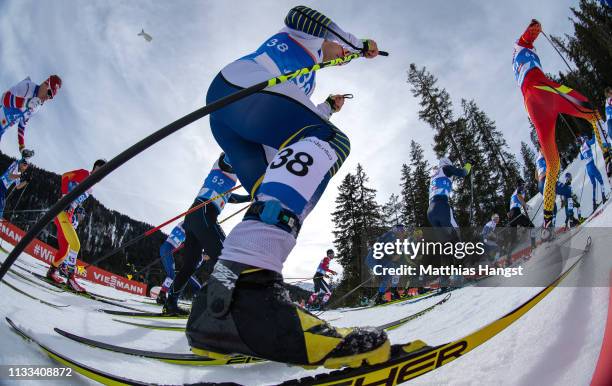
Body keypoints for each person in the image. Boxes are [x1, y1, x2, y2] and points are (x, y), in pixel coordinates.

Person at [186, 5, 387, 368]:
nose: (341, 58)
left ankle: (225, 307)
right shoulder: (307, 40)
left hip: (237, 121)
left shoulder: (309, 77)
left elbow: (294, 125)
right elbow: (300, 14)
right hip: (243, 86)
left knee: (280, 188)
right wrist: (358, 45)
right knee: (331, 142)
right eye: (339, 52)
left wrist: (327, 106)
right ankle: (247, 286)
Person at [513, 20, 609, 235]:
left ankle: (547, 224)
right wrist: (535, 28)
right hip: (543, 88)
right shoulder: (521, 46)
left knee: (553, 165)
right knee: (592, 113)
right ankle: (609, 161)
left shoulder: (516, 64)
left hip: (533, 106)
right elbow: (529, 33)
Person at [163, 153, 250, 315]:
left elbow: (231, 197)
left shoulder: (231, 180)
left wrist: (249, 197)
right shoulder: (227, 158)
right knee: (226, 256)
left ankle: (170, 304)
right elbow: (227, 160)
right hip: (203, 210)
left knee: (190, 265)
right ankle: (221, 307)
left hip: (197, 215)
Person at [46, 159, 106, 292]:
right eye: (100, 170)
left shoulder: (90, 189)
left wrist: (74, 212)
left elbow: (76, 201)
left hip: (67, 215)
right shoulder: (85, 174)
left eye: (103, 173)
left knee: (64, 249)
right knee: (75, 245)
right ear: (95, 168)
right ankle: (71, 279)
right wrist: (64, 195)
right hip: (61, 212)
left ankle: (52, 272)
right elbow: (65, 176)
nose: (101, 174)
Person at [0, 75, 62, 157]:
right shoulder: (27, 87)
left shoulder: (36, 108)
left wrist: (22, 148)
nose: (47, 98)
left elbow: (22, 125)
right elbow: (4, 99)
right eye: (49, 93)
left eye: (51, 97)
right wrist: (26, 103)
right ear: (45, 84)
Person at [155, 221, 205, 305]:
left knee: (171, 275)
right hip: (167, 249)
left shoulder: (188, 230)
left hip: (167, 250)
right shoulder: (186, 224)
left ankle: (163, 294)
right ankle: (162, 295)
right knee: (171, 275)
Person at [365, 224, 408, 304]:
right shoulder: (391, 235)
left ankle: (393, 292)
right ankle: (380, 297)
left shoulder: (395, 238)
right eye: (400, 229)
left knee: (397, 271)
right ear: (395, 230)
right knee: (388, 274)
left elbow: (395, 256)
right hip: (374, 258)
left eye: (403, 229)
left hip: (379, 258)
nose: (402, 231)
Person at [577, 135, 608, 210]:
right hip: (591, 165)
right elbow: (593, 141)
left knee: (594, 184)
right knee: (601, 181)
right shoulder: (586, 143)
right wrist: (594, 133)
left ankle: (594, 203)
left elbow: (581, 158)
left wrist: (581, 151)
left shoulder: (581, 148)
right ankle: (603, 196)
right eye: (585, 138)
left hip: (588, 168)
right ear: (583, 139)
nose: (586, 139)